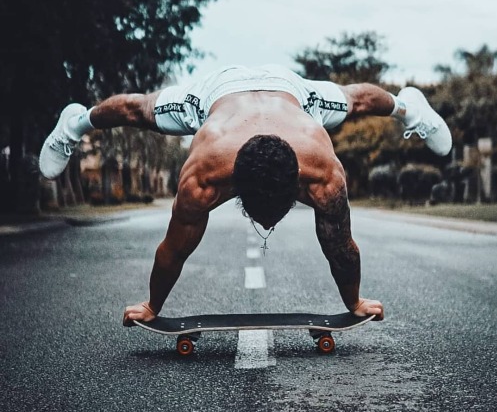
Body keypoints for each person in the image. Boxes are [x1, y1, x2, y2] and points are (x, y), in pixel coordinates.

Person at [39, 64, 452, 325]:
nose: (268, 224)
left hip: (290, 89)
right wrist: (152, 306)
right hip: (217, 94)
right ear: (232, 184)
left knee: (357, 99)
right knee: (138, 110)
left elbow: (341, 247)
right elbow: (173, 249)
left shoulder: (325, 172)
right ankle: (75, 122)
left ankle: (408, 106)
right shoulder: (203, 175)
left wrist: (355, 301)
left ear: (299, 182)